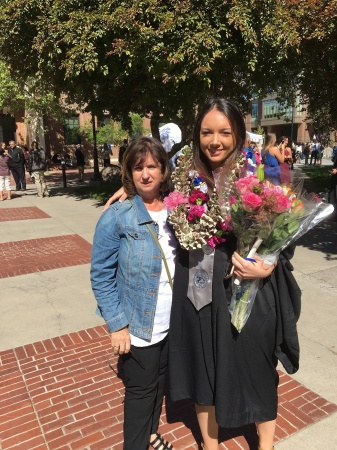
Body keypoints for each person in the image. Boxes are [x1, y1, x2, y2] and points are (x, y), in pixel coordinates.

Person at [168, 99, 300, 450]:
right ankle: (210, 447)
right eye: (207, 132)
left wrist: (268, 264)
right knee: (204, 368)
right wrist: (131, 191)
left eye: (225, 132)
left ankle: (266, 444)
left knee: (257, 366)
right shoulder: (183, 177)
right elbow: (144, 178)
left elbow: (281, 237)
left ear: (238, 134)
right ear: (197, 135)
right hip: (199, 288)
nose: (215, 140)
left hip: (250, 290)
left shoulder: (257, 176)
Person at [90, 136, 176, 450]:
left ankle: (151, 434)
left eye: (152, 166)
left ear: (164, 170)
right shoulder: (117, 216)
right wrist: (117, 325)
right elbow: (100, 275)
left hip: (171, 320)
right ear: (129, 171)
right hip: (139, 324)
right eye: (138, 167)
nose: (146, 174)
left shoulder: (179, 210)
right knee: (140, 393)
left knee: (157, 385)